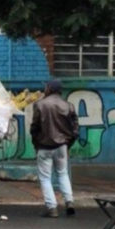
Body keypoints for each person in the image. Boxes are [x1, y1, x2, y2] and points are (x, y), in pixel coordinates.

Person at [30, 78, 79, 218]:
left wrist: (36, 144)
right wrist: (68, 145)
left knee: (45, 177)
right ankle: (69, 202)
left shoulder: (40, 105)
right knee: (62, 173)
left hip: (44, 146)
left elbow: (35, 128)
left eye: (46, 87)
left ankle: (51, 207)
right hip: (62, 146)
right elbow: (75, 130)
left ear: (49, 89)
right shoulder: (68, 106)